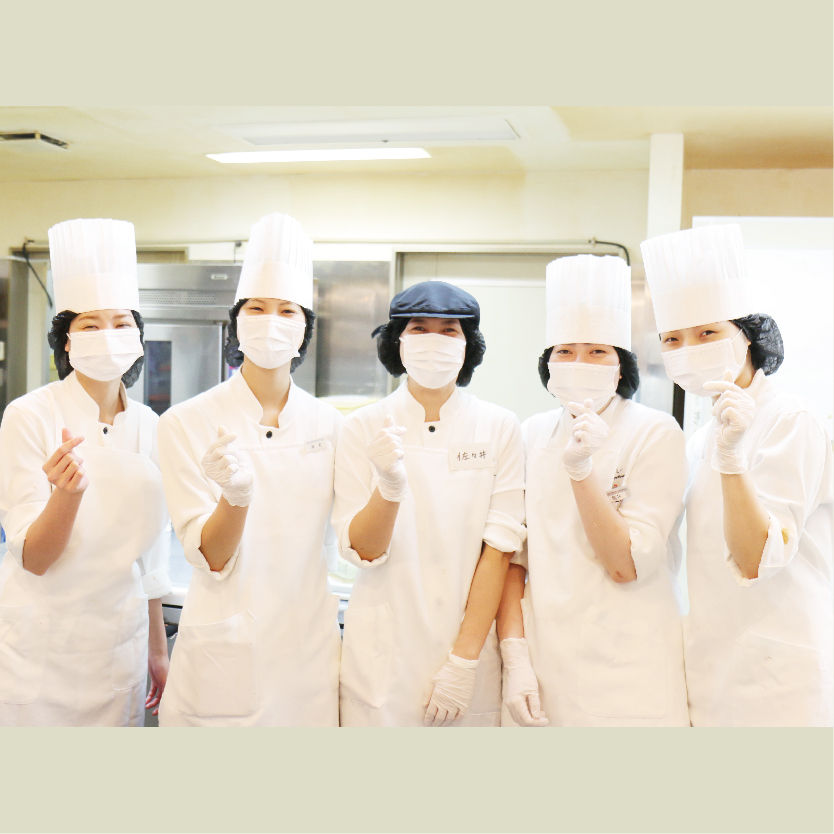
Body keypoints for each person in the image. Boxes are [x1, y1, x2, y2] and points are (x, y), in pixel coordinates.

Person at [641, 223, 833, 727]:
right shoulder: (702, 438)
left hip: (780, 672)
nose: (689, 348)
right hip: (716, 663)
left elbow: (755, 559)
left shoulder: (791, 420)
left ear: (747, 336)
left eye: (707, 333)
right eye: (673, 339)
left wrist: (732, 460)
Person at [157, 212, 342, 726]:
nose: (271, 320)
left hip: (307, 650)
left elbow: (348, 541)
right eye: (257, 308)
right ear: (238, 323)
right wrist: (235, 498)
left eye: (287, 310)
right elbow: (211, 557)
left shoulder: (330, 424)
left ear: (304, 328)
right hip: (225, 637)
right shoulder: (185, 422)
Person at [496, 254, 689, 727]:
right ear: (547, 364)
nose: (579, 363)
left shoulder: (655, 432)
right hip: (545, 657)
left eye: (598, 351)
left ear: (621, 367)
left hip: (628, 662)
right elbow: (513, 559)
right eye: (565, 351)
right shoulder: (532, 432)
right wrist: (515, 657)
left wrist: (581, 472)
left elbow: (626, 564)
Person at [0, 218, 171, 726]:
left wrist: (157, 649)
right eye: (91, 325)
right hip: (42, 650)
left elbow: (151, 558)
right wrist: (66, 495)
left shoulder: (149, 425)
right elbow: (34, 558)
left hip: (118, 647)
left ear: (138, 337)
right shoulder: (30, 415)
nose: (108, 336)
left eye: (121, 324)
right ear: (67, 342)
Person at [333, 281, 526, 727]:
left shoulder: (499, 426)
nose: (434, 342)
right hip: (384, 655)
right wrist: (389, 488)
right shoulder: (362, 427)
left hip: (469, 647)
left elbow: (500, 548)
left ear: (467, 345)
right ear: (397, 342)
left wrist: (463, 661)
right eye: (419, 329)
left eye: (449, 331)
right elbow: (361, 550)